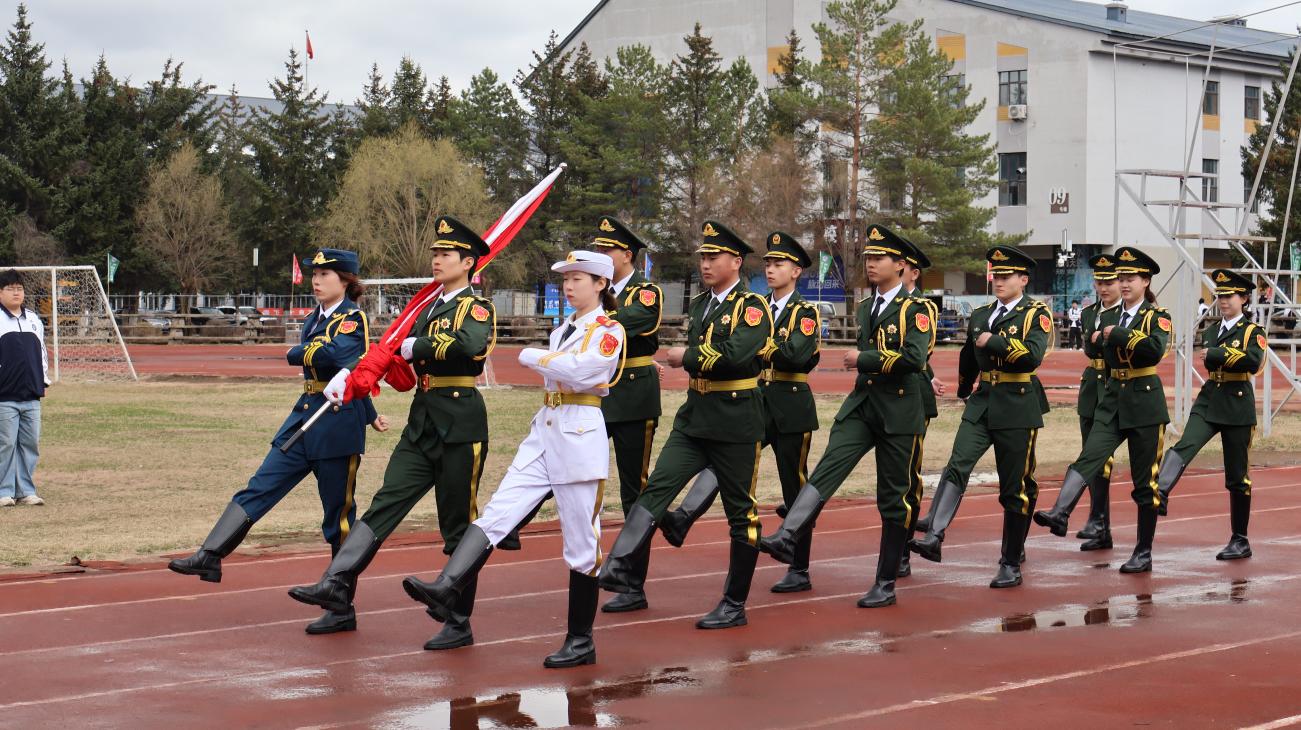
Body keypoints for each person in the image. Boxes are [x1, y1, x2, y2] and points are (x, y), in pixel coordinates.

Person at [402, 250, 625, 668]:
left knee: (582, 542)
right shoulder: (564, 330)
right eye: (566, 279)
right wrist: (549, 359)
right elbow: (564, 368)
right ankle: (447, 586)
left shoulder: (609, 330)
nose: (569, 286)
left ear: (600, 284)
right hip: (546, 430)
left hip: (580, 435)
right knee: (497, 513)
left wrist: (531, 355)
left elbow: (583, 371)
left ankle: (580, 640)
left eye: (578, 279)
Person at [288, 216, 496, 648]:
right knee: (385, 503)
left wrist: (417, 346)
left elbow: (469, 345)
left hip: (460, 424)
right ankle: (336, 581)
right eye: (435, 253)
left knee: (457, 525)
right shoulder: (428, 309)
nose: (436, 260)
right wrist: (371, 371)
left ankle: (458, 621)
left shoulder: (475, 308)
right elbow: (402, 360)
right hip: (422, 422)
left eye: (445, 254)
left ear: (467, 262)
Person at [168, 250, 384, 634]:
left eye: (326, 274)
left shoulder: (353, 318)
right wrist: (369, 410)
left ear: (346, 281)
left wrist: (299, 353)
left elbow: (342, 357)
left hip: (336, 425)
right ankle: (210, 554)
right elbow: (340, 368)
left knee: (338, 518)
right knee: (260, 485)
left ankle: (340, 604)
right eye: (315, 274)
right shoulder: (316, 319)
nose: (316, 280)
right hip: (304, 416)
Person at [598, 220, 774, 630]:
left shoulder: (751, 306)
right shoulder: (701, 304)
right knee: (657, 486)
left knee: (741, 513)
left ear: (736, 261)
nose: (705, 264)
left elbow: (736, 353)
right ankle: (620, 564)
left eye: (713, 257)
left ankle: (733, 604)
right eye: (702, 257)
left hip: (736, 419)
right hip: (695, 416)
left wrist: (686, 357)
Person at [759, 224, 931, 609]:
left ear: (900, 265)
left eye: (879, 257)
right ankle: (788, 535)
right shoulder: (867, 307)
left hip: (898, 410)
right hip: (862, 404)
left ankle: (885, 582)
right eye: (869, 257)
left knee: (893, 497)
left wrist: (864, 359)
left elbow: (914, 358)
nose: (871, 263)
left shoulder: (917, 309)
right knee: (827, 467)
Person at [654, 231, 823, 593]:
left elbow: (795, 355)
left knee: (794, 484)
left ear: (796, 271)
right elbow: (741, 350)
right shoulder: (751, 305)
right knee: (721, 463)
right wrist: (753, 348)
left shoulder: (805, 312)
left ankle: (799, 565)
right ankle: (684, 517)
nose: (771, 269)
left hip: (790, 404)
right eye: (768, 263)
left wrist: (755, 347)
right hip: (754, 399)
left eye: (779, 264)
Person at [907, 246, 1051, 588]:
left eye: (1006, 276)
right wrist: (962, 389)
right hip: (983, 400)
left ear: (1023, 280)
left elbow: (1032, 356)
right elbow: (969, 355)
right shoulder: (982, 314)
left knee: (1014, 486)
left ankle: (1010, 561)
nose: (998, 281)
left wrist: (995, 342)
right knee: (958, 464)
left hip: (1018, 403)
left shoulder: (1035, 314)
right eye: (995, 275)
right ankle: (934, 535)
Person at [1033, 246, 1171, 573]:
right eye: (1121, 278)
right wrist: (1106, 338)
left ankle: (1143, 551)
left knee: (1144, 482)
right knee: (1090, 456)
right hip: (1111, 399)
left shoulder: (1157, 317)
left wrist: (1117, 335)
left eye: (1130, 278)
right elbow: (1096, 351)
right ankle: (1061, 511)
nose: (1124, 284)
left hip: (1144, 402)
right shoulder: (1105, 315)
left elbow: (1153, 350)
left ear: (1145, 281)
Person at [1152, 270, 1265, 560]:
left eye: (1230, 296)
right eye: (1220, 296)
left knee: (1237, 476)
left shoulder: (1253, 332)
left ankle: (1240, 539)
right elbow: (1213, 361)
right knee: (1186, 444)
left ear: (1244, 298)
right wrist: (1218, 355)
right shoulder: (1213, 330)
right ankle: (1160, 492)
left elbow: (1253, 362)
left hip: (1237, 404)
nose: (1224, 301)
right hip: (1210, 397)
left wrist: (1218, 354)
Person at [1073, 254, 1123, 551]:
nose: (1103, 287)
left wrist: (1101, 341)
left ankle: (1098, 520)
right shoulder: (1089, 312)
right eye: (1099, 282)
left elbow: (1109, 349)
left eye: (1109, 282)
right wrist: (1099, 342)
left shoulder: (1126, 314)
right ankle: (1100, 525)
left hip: (1115, 386)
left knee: (1100, 456)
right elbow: (1090, 350)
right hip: (1092, 387)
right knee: (1091, 456)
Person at [898, 240, 942, 579]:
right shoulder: (879, 304)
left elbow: (916, 354)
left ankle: (902, 549)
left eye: (901, 266)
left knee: (907, 475)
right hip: (885, 395)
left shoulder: (921, 307)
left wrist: (926, 375)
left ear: (913, 273)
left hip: (911, 396)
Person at [0, 269, 50, 508]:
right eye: (10, 288)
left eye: (19, 288)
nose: (16, 292)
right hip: (4, 395)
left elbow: (42, 353)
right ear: (0, 292)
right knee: (6, 444)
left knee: (30, 444)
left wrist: (43, 379)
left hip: (31, 394)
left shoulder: (33, 319)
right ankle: (4, 491)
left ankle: (25, 491)